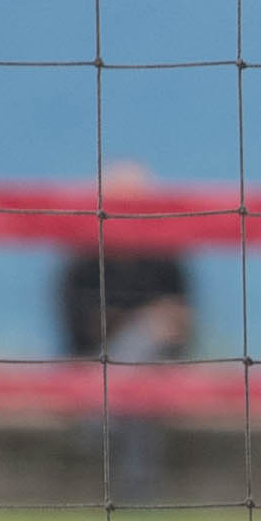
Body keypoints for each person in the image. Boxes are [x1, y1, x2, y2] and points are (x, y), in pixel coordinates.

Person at [57, 161, 196, 503]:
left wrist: (138, 326)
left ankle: (100, 422)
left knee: (136, 375)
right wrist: (148, 321)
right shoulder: (83, 263)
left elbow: (181, 327)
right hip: (95, 364)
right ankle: (138, 491)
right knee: (134, 377)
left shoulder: (165, 259)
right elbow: (82, 331)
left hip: (153, 368)